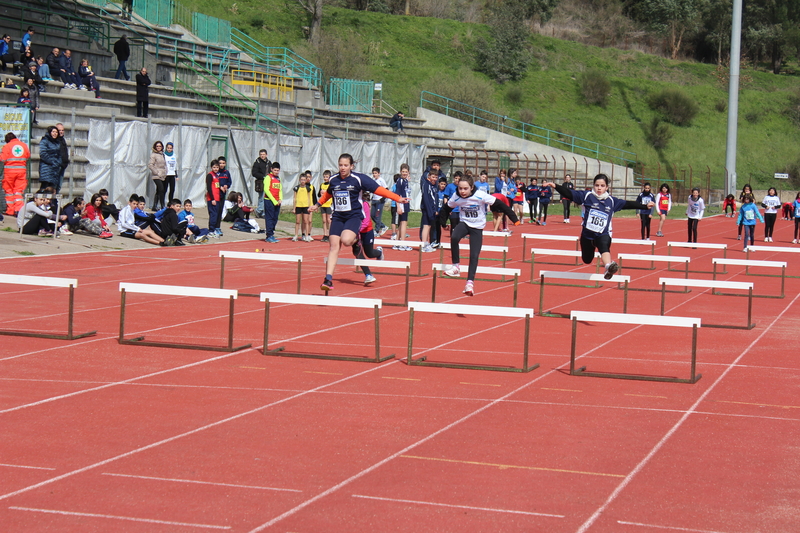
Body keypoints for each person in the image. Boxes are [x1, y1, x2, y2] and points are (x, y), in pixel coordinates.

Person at [309, 153, 408, 292]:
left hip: (353, 217)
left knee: (346, 240)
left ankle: (355, 241)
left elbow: (378, 189)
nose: (342, 168)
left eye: (345, 165)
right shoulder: (333, 179)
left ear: (351, 166)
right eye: (340, 165)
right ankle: (328, 279)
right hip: (338, 217)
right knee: (333, 246)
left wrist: (397, 198)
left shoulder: (358, 179)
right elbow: (328, 194)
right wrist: (317, 204)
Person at [543, 174, 655, 279]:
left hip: (602, 234)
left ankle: (608, 267)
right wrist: (555, 186)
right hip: (587, 235)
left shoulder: (611, 201)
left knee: (604, 246)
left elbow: (627, 204)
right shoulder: (587, 196)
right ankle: (605, 265)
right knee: (587, 260)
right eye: (597, 185)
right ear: (593, 186)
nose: (599, 188)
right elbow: (569, 193)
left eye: (602, 186)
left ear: (607, 187)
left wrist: (645, 206)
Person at [439, 174, 520, 296]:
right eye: (460, 188)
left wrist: (514, 218)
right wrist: (443, 222)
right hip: (465, 223)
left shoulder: (481, 195)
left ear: (471, 187)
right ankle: (456, 266)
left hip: (477, 228)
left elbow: (501, 205)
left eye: (465, 189)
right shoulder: (456, 196)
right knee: (454, 237)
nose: (462, 191)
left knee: (474, 255)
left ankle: (469, 283)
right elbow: (446, 208)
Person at [353, 191, 384, 285]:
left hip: (366, 231)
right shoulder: (350, 205)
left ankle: (379, 252)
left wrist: (356, 230)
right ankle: (368, 275)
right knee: (357, 252)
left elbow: (366, 222)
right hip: (355, 232)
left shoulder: (364, 204)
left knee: (369, 253)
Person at [1, 132, 30, 216]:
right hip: (21, 172)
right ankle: (18, 210)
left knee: (9, 191)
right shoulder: (24, 145)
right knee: (18, 192)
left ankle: (10, 211)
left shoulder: (7, 146)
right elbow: (27, 156)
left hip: (9, 172)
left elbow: (3, 159)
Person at [419, 165, 439, 252]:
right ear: (429, 176)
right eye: (433, 177)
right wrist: (430, 211)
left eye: (436, 177)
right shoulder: (426, 185)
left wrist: (436, 209)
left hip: (433, 210)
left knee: (429, 226)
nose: (434, 179)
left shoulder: (435, 186)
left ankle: (426, 243)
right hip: (427, 209)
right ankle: (424, 244)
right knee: (426, 226)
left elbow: (435, 198)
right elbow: (426, 198)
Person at [262, 161, 282, 243]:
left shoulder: (278, 179)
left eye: (277, 170)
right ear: (271, 169)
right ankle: (269, 235)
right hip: (269, 201)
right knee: (269, 218)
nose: (276, 172)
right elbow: (266, 190)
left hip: (277, 202)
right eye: (275, 170)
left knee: (275, 218)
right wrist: (274, 200)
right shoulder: (268, 177)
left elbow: (280, 190)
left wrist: (280, 199)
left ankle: (272, 233)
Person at [292, 173, 316, 241]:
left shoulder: (308, 188)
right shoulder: (297, 188)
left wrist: (309, 206)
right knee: (297, 221)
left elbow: (309, 198)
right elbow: (294, 198)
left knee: (306, 221)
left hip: (305, 206)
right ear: (299, 180)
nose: (303, 181)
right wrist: (294, 208)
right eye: (301, 180)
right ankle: (296, 235)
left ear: (306, 180)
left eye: (304, 180)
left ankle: (307, 235)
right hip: (298, 206)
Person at [393, 163, 411, 250]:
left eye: (406, 172)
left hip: (406, 203)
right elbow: (397, 195)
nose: (404, 173)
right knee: (404, 223)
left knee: (402, 223)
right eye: (403, 172)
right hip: (401, 204)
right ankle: (402, 242)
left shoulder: (406, 181)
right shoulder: (399, 181)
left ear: (408, 172)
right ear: (400, 172)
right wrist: (398, 206)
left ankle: (397, 242)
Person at [38, 126, 62, 191]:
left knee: (52, 187)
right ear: (50, 132)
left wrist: (58, 162)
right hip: (46, 167)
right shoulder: (45, 140)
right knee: (45, 185)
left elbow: (59, 154)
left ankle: (50, 201)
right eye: (53, 132)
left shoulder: (57, 142)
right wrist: (52, 161)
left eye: (56, 132)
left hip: (55, 168)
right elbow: (43, 153)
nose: (55, 133)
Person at [205, 159, 222, 237]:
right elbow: (209, 188)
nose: (216, 169)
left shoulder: (217, 175)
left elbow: (216, 186)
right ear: (211, 167)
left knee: (217, 214)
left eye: (217, 167)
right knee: (213, 214)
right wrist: (212, 199)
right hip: (212, 199)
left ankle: (214, 229)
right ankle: (211, 230)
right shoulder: (210, 175)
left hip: (218, 198)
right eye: (214, 167)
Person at [147, 141, 166, 210]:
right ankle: (162, 205)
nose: (158, 147)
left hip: (163, 175)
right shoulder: (153, 155)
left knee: (159, 191)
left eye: (160, 146)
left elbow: (164, 165)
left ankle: (154, 206)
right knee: (161, 189)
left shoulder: (162, 154)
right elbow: (150, 165)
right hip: (156, 175)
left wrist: (165, 172)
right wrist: (156, 172)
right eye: (157, 146)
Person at [251, 148, 270, 216]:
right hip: (260, 182)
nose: (262, 156)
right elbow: (254, 173)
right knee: (262, 196)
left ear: (266, 155)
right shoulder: (257, 163)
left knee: (266, 197)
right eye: (261, 154)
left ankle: (262, 212)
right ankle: (259, 210)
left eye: (263, 154)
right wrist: (262, 176)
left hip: (268, 182)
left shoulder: (268, 163)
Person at [370, 167, 388, 235]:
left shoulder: (381, 180)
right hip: (374, 199)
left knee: (377, 216)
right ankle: (383, 226)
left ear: (379, 173)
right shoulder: (374, 180)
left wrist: (383, 198)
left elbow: (386, 189)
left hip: (379, 200)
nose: (374, 175)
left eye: (376, 173)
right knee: (372, 215)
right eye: (373, 173)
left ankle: (377, 230)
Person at [318, 169, 332, 242]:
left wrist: (325, 192)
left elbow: (332, 194)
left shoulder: (331, 185)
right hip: (323, 205)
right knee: (324, 220)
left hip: (329, 204)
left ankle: (330, 234)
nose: (325, 178)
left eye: (327, 177)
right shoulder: (322, 185)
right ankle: (325, 234)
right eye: (324, 177)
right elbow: (319, 194)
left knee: (328, 220)